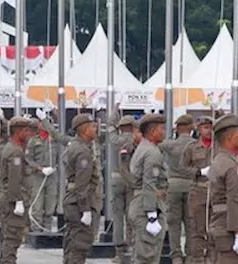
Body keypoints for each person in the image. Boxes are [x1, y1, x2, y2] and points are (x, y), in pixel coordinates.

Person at [207, 114, 238, 264]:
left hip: (219, 225)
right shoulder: (231, 165)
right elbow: (234, 198)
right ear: (231, 137)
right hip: (228, 229)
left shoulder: (219, 160)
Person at [63, 113, 103, 264]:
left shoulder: (74, 146)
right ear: (86, 130)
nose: (95, 129)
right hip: (81, 203)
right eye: (93, 126)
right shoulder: (83, 151)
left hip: (73, 201)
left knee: (72, 244)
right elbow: (82, 184)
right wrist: (85, 210)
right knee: (80, 246)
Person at [130, 113, 169, 264]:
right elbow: (149, 183)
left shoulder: (143, 147)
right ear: (153, 132)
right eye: (162, 129)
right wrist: (152, 214)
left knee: (142, 252)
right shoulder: (152, 152)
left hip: (141, 202)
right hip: (148, 205)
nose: (164, 132)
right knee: (148, 254)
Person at [0, 116, 37, 264]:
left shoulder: (14, 148)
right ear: (19, 132)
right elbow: (14, 179)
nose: (29, 135)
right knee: (12, 238)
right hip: (13, 201)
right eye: (27, 131)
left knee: (8, 236)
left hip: (11, 199)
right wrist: (18, 201)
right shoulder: (15, 152)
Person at [163, 114, 197, 261]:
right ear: (191, 128)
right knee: (191, 223)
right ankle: (190, 256)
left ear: (177, 129)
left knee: (173, 223)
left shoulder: (170, 145)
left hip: (173, 185)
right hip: (191, 185)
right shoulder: (195, 145)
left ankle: (176, 255)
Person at [182, 116, 215, 264]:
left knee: (215, 230)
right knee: (197, 230)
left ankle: (212, 259)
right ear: (199, 129)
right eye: (205, 127)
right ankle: (198, 260)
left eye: (211, 127)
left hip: (216, 192)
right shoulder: (191, 147)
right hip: (198, 191)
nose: (209, 131)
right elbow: (182, 167)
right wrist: (198, 172)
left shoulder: (219, 147)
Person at [26, 114, 62, 231]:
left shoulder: (54, 140)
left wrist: (55, 167)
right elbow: (28, 159)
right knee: (37, 204)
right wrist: (40, 168)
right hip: (38, 175)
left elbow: (60, 156)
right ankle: (36, 229)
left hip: (52, 175)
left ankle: (47, 229)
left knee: (50, 203)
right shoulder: (33, 140)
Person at [110, 114, 139, 259]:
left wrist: (114, 112)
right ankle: (130, 245)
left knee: (117, 216)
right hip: (131, 179)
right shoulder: (136, 140)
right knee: (131, 215)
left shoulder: (114, 139)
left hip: (116, 178)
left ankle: (118, 250)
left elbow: (110, 125)